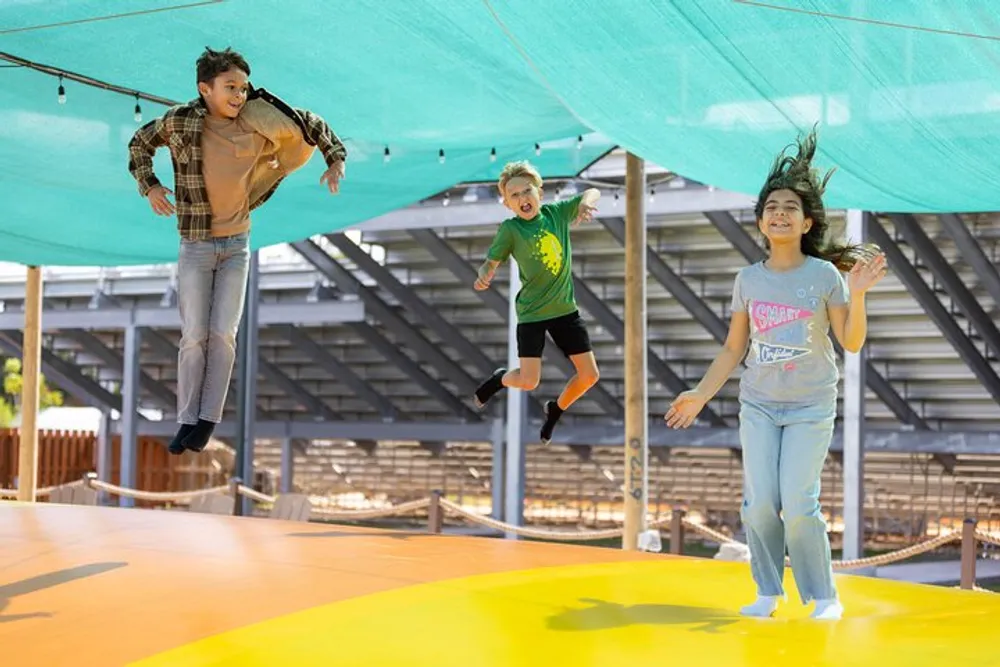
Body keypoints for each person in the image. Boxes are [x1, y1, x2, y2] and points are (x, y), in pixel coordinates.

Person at [665, 128, 886, 620]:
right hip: (759, 404)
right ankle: (768, 590)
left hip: (810, 405)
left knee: (799, 502)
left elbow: (849, 341)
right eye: (771, 208)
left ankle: (823, 597)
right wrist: (700, 394)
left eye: (789, 207)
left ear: (806, 222)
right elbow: (732, 348)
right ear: (762, 222)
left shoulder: (825, 277)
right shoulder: (748, 279)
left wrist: (860, 293)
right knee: (761, 502)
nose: (779, 213)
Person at [127, 47, 347, 454]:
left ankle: (207, 420)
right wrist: (151, 186)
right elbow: (139, 143)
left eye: (243, 88)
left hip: (237, 245)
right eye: (230, 87)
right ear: (205, 88)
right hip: (195, 245)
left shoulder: (254, 122)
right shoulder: (179, 121)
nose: (239, 95)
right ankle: (186, 418)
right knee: (194, 335)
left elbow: (309, 124)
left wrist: (335, 158)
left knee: (222, 334)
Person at [471, 160, 601, 444]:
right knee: (529, 381)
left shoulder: (557, 213)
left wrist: (584, 204)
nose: (522, 199)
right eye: (514, 196)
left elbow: (592, 191)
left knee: (590, 376)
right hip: (531, 313)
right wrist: (484, 274)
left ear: (539, 193)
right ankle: (500, 379)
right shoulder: (511, 230)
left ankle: (556, 410)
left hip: (565, 311)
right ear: (507, 204)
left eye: (526, 191)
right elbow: (490, 263)